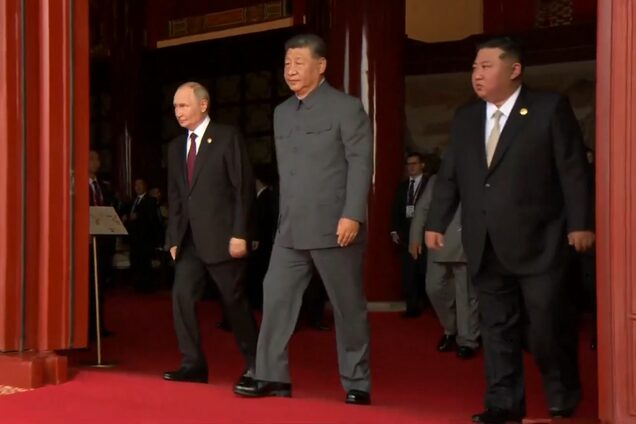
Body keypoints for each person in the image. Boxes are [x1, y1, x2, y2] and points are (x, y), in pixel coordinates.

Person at [425, 37, 595, 423]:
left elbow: (573, 170)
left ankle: (562, 392)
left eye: (486, 66)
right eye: (474, 67)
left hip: (541, 241)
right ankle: (503, 404)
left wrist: (581, 223)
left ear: (514, 69)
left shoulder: (548, 108)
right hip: (485, 241)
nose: (477, 74)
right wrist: (437, 222)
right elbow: (450, 173)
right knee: (496, 328)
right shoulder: (467, 117)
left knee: (547, 326)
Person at [234, 34, 373, 405]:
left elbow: (360, 164)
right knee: (275, 297)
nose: (291, 70)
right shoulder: (281, 112)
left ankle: (357, 382)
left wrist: (352, 214)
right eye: (287, 63)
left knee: (347, 307)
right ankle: (271, 375)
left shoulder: (346, 108)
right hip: (290, 228)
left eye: (299, 62)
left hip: (336, 226)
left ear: (321, 65)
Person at [163, 81, 258, 391]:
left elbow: (242, 188)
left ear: (203, 105)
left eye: (184, 105)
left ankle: (258, 364)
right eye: (175, 107)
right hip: (188, 240)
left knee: (234, 302)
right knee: (181, 299)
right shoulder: (175, 147)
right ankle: (192, 365)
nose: (178, 112)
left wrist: (240, 233)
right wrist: (173, 238)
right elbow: (176, 197)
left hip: (223, 237)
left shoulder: (227, 137)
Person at [409, 175, 480, 359]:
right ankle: (451, 329)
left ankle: (467, 340)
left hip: (467, 240)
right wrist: (415, 237)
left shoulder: (477, 172)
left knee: (466, 295)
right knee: (434, 288)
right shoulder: (437, 179)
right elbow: (422, 208)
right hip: (438, 240)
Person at [391, 152, 429, 317]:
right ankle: (411, 307)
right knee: (408, 274)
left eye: (414, 163)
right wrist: (394, 230)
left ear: (422, 165)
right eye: (408, 164)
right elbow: (395, 209)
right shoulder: (402, 186)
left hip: (425, 235)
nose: (411, 167)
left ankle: (427, 305)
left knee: (424, 272)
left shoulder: (429, 184)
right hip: (406, 236)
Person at [88, 149, 115, 340]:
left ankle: (99, 325)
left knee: (100, 286)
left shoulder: (103, 187)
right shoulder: (77, 185)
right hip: (86, 244)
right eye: (92, 158)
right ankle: (86, 328)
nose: (96, 162)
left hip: (103, 242)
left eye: (97, 158)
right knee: (87, 287)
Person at [125, 178, 160, 292]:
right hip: (133, 237)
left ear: (145, 186)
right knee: (135, 260)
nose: (138, 187)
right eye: (136, 185)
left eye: (140, 185)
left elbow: (152, 218)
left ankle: (146, 286)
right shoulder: (133, 201)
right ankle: (136, 284)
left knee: (144, 261)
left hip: (145, 237)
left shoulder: (150, 200)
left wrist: (138, 216)